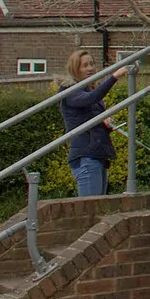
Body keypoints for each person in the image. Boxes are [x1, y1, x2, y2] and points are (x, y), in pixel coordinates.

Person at [58, 50, 118, 198]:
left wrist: (105, 123)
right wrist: (115, 76)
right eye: (84, 65)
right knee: (90, 209)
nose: (90, 68)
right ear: (75, 69)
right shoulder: (70, 90)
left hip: (97, 155)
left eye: (92, 64)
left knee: (98, 208)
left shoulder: (85, 90)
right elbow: (91, 98)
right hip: (86, 157)